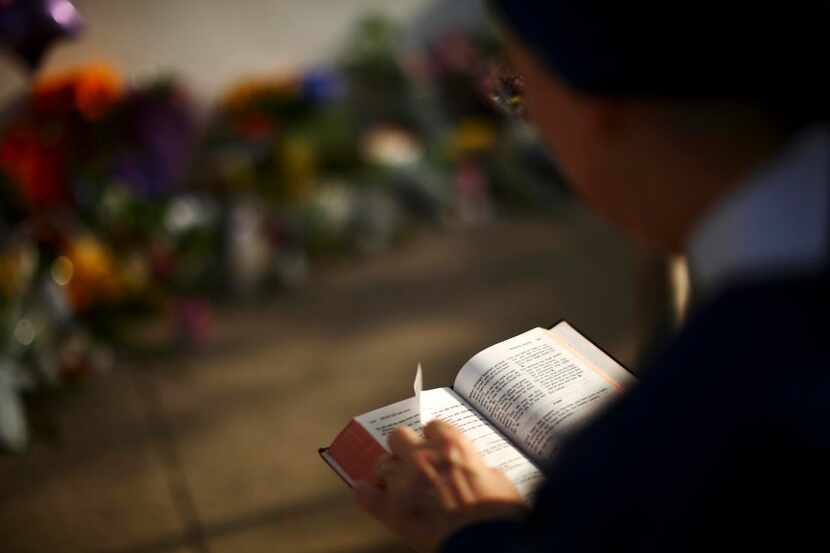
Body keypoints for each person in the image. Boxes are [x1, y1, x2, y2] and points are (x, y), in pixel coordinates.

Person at [353, 2, 829, 552]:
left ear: (596, 105)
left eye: (517, 90)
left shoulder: (687, 442)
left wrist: (475, 529)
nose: (529, 118)